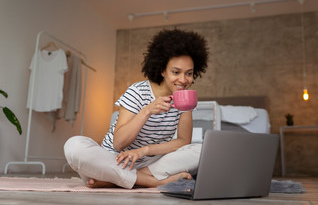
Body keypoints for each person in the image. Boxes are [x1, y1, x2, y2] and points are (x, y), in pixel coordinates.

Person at [64, 28, 209, 189]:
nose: (183, 80)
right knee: (74, 146)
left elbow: (183, 142)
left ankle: (117, 179)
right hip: (113, 159)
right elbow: (118, 143)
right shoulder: (137, 91)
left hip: (148, 162)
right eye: (176, 72)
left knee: (203, 150)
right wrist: (147, 111)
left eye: (189, 74)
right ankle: (152, 181)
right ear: (162, 70)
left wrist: (144, 151)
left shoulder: (184, 98)